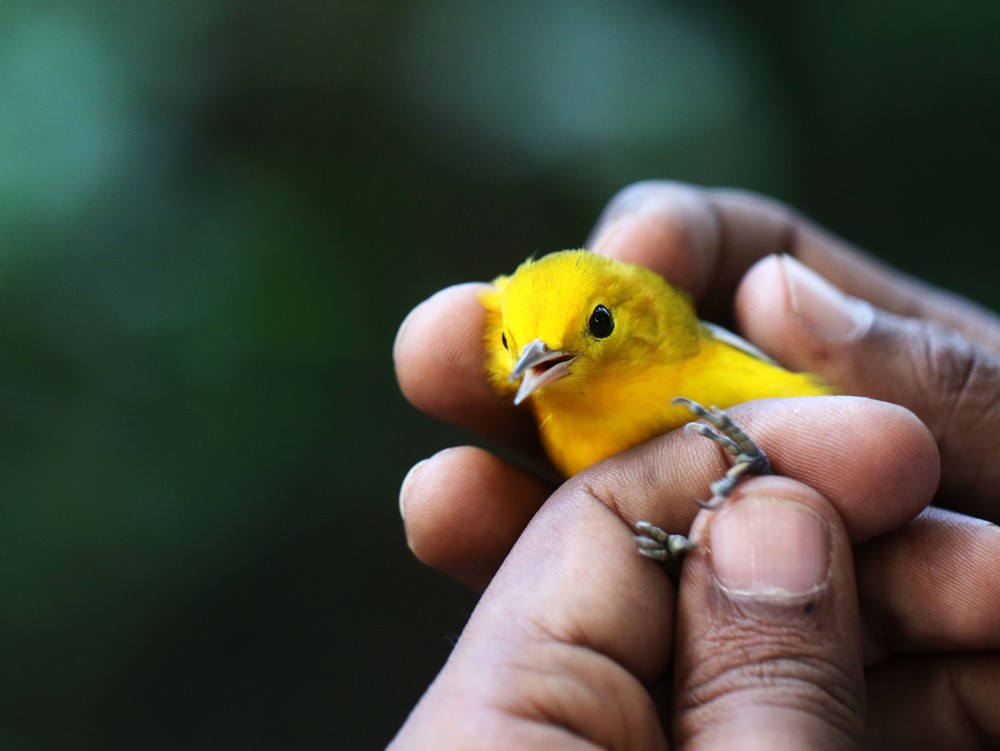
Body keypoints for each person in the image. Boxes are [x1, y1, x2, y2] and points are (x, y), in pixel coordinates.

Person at [389, 182, 1000, 748]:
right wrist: (689, 557)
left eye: (598, 324)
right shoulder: (572, 448)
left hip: (928, 528)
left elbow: (857, 444)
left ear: (644, 318)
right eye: (510, 347)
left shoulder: (710, 358)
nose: (532, 362)